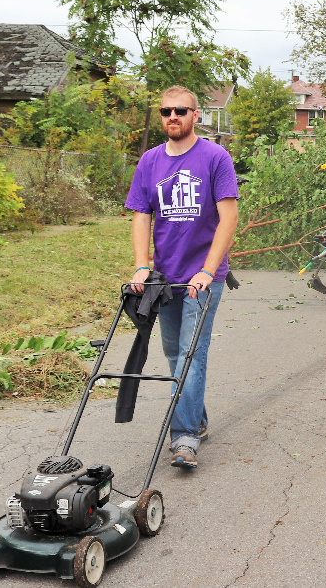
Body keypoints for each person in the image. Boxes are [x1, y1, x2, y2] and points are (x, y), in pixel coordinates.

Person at [125, 85, 238, 469]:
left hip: (204, 277)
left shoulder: (214, 157)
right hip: (165, 277)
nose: (172, 117)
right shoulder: (150, 161)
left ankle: (185, 437)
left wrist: (208, 270)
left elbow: (228, 218)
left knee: (192, 353)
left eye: (180, 111)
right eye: (165, 111)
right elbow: (141, 215)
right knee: (174, 353)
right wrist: (143, 265)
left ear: (195, 116)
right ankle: (198, 419)